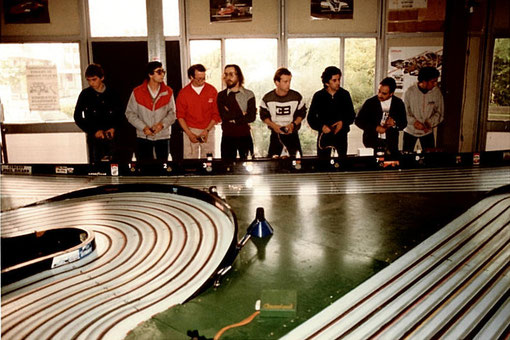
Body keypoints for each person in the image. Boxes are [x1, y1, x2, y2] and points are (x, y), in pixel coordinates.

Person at [125, 61, 176, 162]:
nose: (162, 74)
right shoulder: (137, 92)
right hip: (143, 136)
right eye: (159, 72)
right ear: (150, 74)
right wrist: (143, 128)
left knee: (163, 168)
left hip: (163, 136)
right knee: (145, 169)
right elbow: (130, 114)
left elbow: (173, 114)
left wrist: (162, 125)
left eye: (163, 71)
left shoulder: (168, 91)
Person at [74, 64, 122, 163]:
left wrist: (114, 128)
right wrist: (93, 131)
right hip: (94, 139)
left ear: (102, 78)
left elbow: (121, 114)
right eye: (88, 80)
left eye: (94, 79)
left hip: (113, 137)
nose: (91, 83)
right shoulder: (85, 94)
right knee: (96, 169)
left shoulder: (113, 93)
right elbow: (77, 116)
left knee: (115, 167)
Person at [308, 66, 355, 158]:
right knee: (323, 165)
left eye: (339, 79)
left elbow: (352, 115)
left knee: (341, 164)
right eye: (334, 80)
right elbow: (311, 118)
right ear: (327, 82)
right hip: (324, 136)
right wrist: (321, 127)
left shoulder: (345, 95)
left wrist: (343, 123)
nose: (338, 83)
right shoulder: (318, 96)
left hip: (341, 136)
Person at [260, 68, 307, 158]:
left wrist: (293, 124)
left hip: (292, 134)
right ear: (277, 82)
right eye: (285, 82)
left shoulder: (296, 96)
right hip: (275, 134)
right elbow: (263, 115)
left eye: (289, 81)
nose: (288, 84)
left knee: (297, 162)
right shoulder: (267, 98)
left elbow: (302, 113)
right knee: (273, 165)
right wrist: (274, 126)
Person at [176, 64, 221, 159]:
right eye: (199, 79)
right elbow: (180, 116)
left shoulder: (212, 90)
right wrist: (189, 133)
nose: (202, 81)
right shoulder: (183, 93)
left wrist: (207, 130)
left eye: (204, 78)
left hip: (208, 129)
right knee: (190, 162)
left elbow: (216, 114)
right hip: (190, 129)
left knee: (209, 160)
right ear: (191, 77)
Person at [355, 77, 407, 156]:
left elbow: (404, 123)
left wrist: (394, 123)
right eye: (379, 91)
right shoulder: (370, 102)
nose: (380, 95)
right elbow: (358, 121)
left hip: (391, 142)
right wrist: (375, 128)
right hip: (371, 141)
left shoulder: (398, 103)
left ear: (391, 93)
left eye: (384, 93)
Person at [217, 64, 256, 160]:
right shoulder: (221, 95)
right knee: (227, 167)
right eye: (225, 74)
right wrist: (241, 113)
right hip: (227, 136)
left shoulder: (249, 94)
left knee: (249, 165)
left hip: (245, 136)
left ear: (238, 76)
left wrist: (233, 119)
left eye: (231, 74)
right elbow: (224, 116)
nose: (227, 78)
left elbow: (251, 117)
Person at [403, 66, 444, 152]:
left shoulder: (437, 92)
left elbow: (439, 112)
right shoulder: (409, 91)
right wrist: (414, 122)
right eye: (433, 81)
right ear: (424, 81)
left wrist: (429, 122)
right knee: (406, 158)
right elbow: (404, 112)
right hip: (410, 131)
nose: (435, 84)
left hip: (427, 132)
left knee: (430, 159)